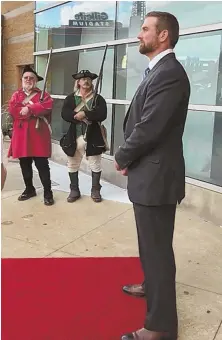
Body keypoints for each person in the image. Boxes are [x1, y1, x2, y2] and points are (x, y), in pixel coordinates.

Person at [115, 11, 190, 340]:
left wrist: (122, 154)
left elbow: (150, 127)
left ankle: (160, 328)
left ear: (163, 36)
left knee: (158, 252)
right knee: (150, 246)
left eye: (145, 29)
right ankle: (151, 287)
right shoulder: (158, 71)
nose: (138, 34)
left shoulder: (169, 73)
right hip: (149, 175)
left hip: (157, 179)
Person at [8, 65, 54, 206]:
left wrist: (29, 107)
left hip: (38, 135)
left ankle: (48, 192)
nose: (28, 80)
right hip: (21, 135)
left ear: (35, 81)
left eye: (31, 78)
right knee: (24, 164)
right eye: (26, 78)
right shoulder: (16, 95)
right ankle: (29, 189)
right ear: (22, 80)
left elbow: (48, 106)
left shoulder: (43, 95)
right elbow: (13, 110)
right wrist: (35, 109)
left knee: (42, 165)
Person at [61, 69, 107, 203]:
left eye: (88, 79)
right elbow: (64, 113)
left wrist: (86, 114)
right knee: (72, 163)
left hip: (93, 136)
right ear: (78, 82)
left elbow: (102, 114)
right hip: (74, 136)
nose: (86, 81)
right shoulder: (71, 98)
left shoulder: (98, 98)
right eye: (83, 79)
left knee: (95, 164)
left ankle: (95, 190)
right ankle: (74, 190)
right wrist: (76, 116)